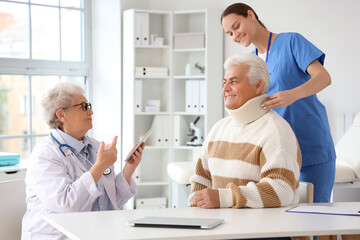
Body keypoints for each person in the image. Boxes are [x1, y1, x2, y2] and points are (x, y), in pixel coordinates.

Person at [221, 3, 336, 203]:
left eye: (237, 26)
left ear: (251, 15)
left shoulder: (291, 41)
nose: (235, 36)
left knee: (315, 221)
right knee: (284, 224)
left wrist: (293, 94)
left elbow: (324, 78)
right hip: (278, 154)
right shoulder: (252, 63)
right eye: (229, 33)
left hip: (311, 147)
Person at [22, 82, 144, 239]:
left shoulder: (94, 147)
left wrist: (129, 168)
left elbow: (108, 203)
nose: (91, 111)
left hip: (93, 233)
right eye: (84, 106)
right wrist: (100, 166)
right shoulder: (45, 155)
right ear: (61, 115)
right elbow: (67, 205)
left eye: (89, 105)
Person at [189, 53, 301, 209]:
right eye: (224, 82)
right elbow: (201, 181)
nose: (225, 89)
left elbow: (282, 190)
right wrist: (196, 208)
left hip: (265, 230)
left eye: (234, 82)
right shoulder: (218, 129)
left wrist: (225, 197)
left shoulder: (275, 130)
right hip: (222, 228)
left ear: (258, 86)